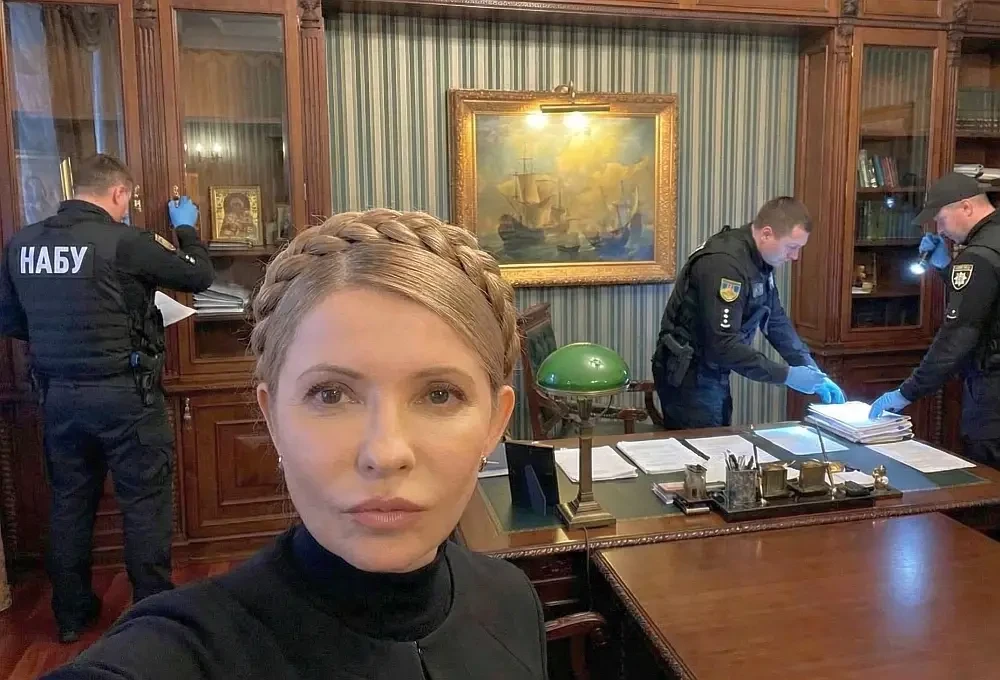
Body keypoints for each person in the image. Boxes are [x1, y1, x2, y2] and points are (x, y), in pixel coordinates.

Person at [42, 209, 548, 679]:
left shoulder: (514, 601)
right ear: (273, 418)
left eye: (439, 394)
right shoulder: (183, 653)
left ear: (494, 422)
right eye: (331, 394)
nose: (385, 453)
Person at [0, 154, 215, 642]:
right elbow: (198, 276)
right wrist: (186, 229)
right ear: (119, 193)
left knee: (70, 503)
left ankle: (71, 615)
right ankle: (152, 616)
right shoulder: (125, 242)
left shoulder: (22, 243)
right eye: (128, 200)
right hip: (126, 397)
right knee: (145, 504)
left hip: (57, 397)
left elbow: (10, 320)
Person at [652, 196, 845, 429]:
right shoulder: (725, 265)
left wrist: (809, 366)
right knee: (705, 445)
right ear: (766, 234)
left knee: (718, 435)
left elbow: (775, 320)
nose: (794, 257)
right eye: (792, 247)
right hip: (688, 374)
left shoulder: (759, 261)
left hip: (712, 370)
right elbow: (722, 345)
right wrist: (787, 375)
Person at [870, 173, 1000, 466]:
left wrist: (907, 392)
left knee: (988, 483)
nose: (940, 229)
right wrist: (946, 267)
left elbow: (957, 336)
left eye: (941, 219)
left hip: (993, 395)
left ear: (966, 207)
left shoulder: (978, 256)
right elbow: (986, 300)